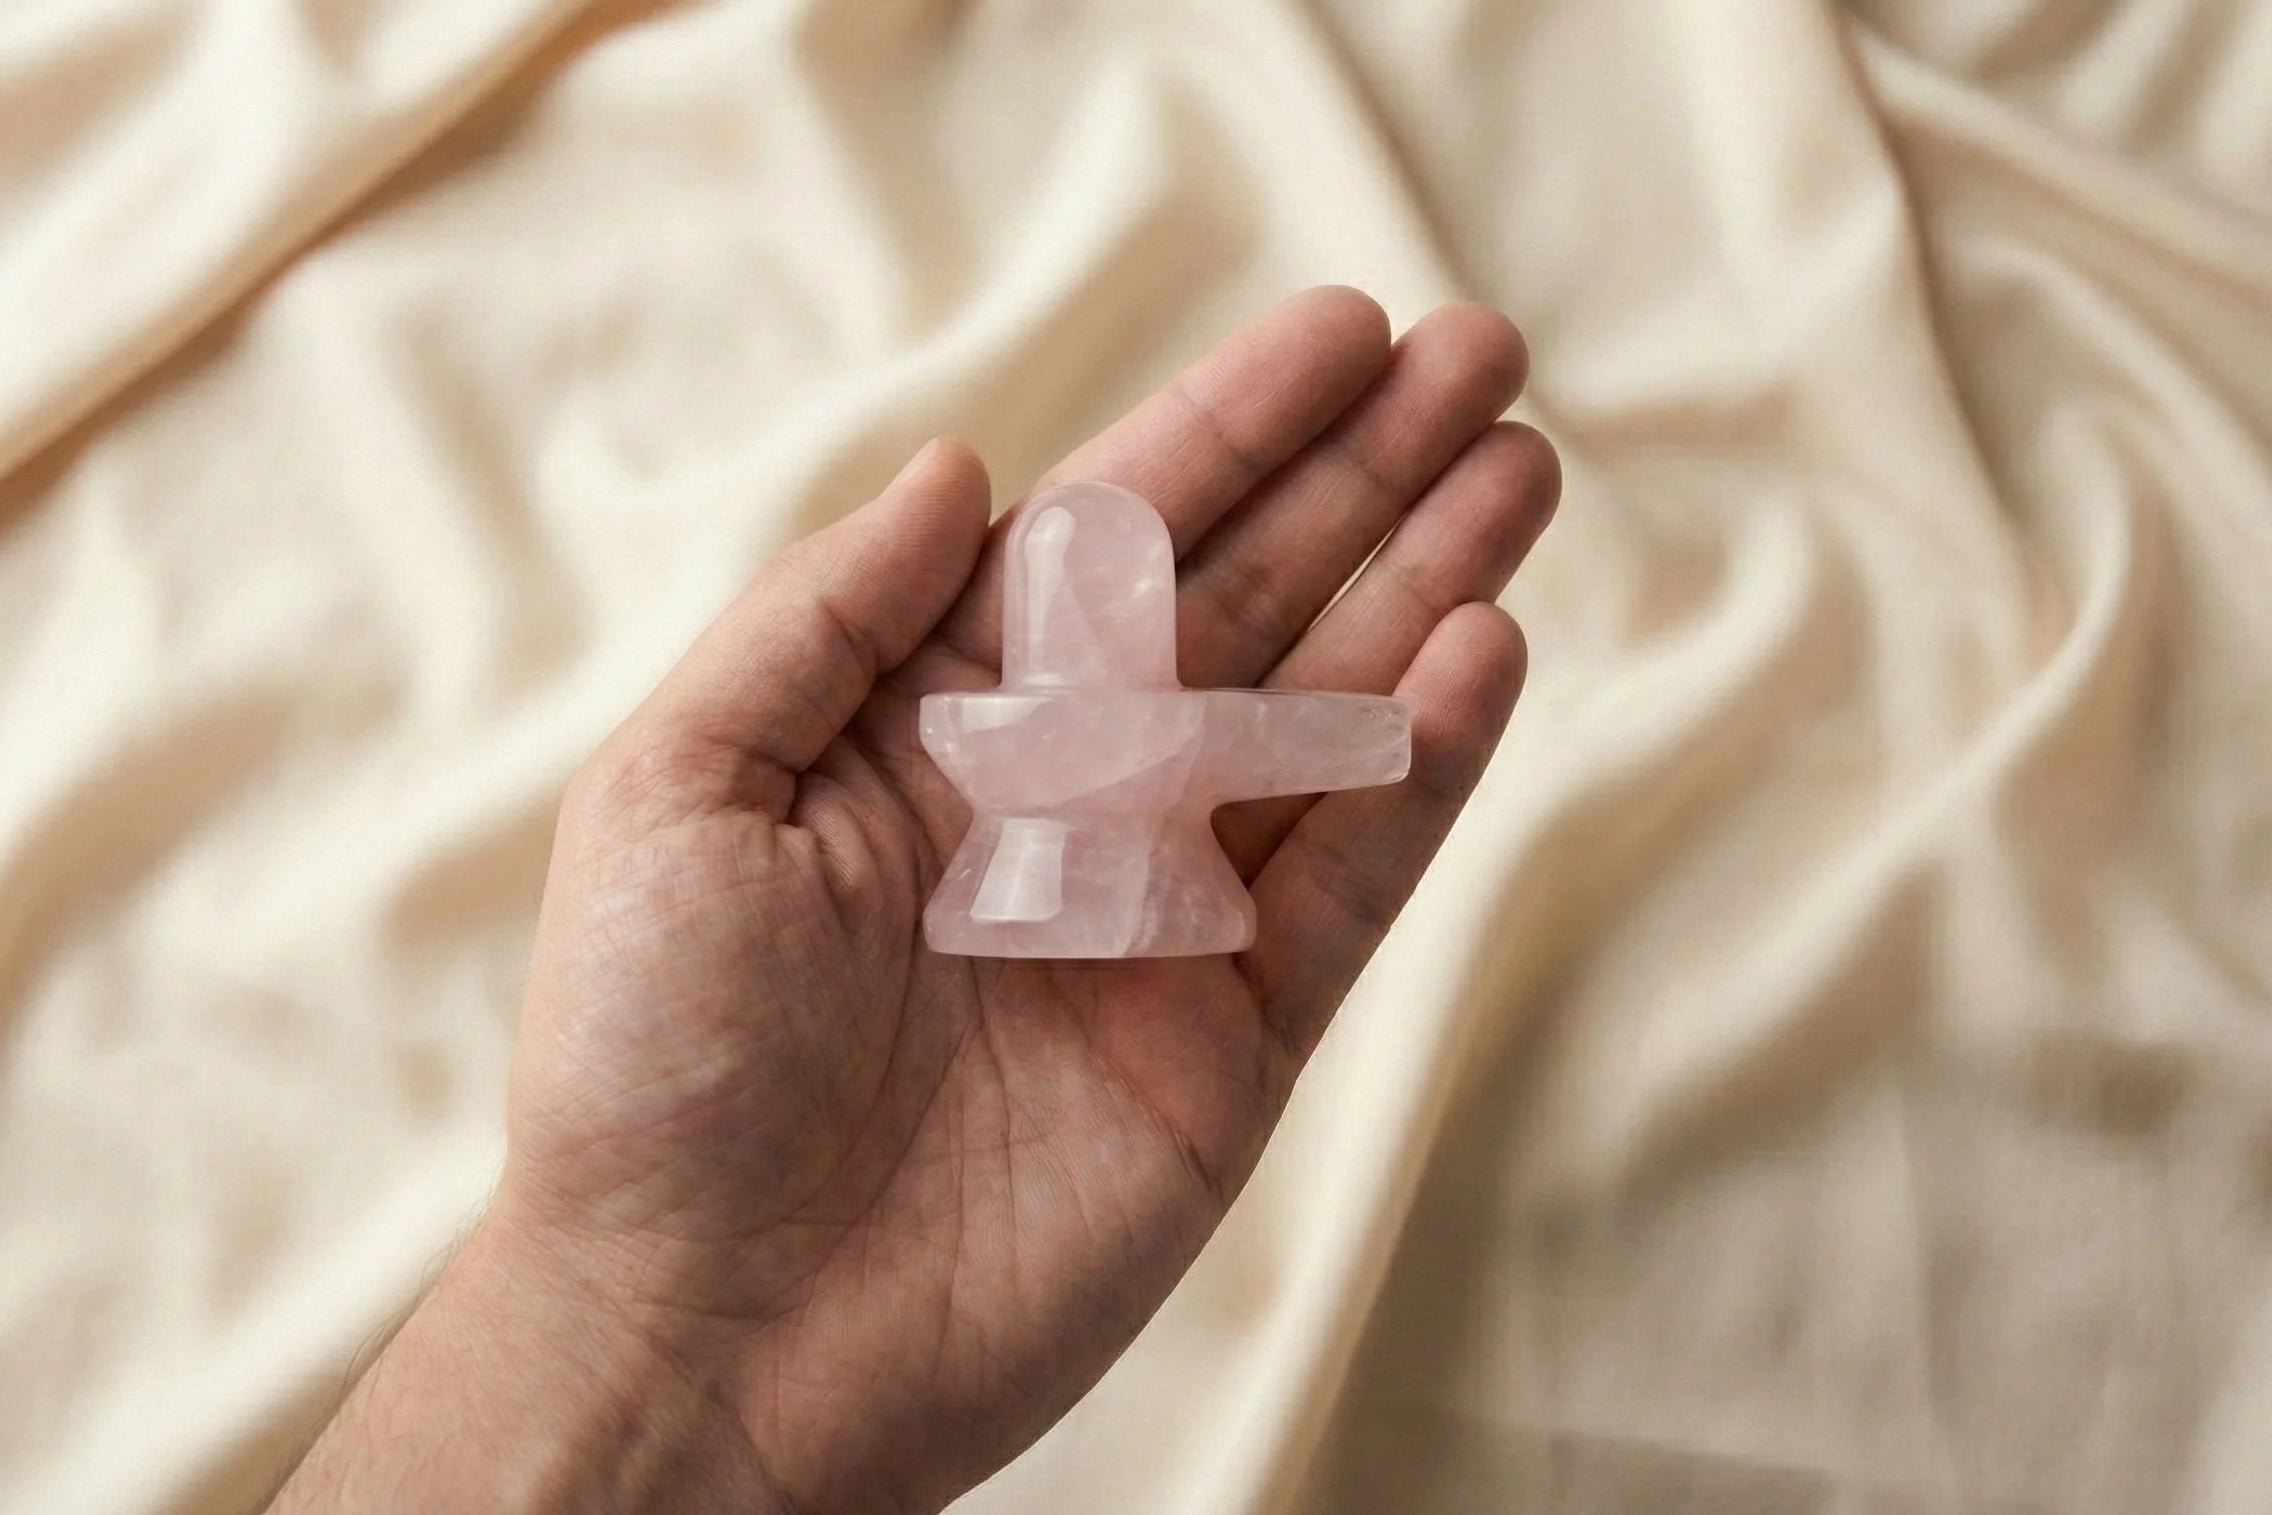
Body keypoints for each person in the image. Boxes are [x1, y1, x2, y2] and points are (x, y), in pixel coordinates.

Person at [266, 286, 1560, 1514]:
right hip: (1060, 899)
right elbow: (1251, 741)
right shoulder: (1013, 735)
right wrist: (628, 1316)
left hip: (1130, 897)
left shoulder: (1053, 729)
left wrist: (636, 1345)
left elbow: (1280, 741)